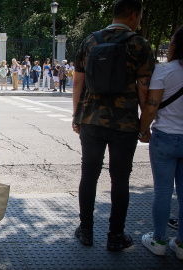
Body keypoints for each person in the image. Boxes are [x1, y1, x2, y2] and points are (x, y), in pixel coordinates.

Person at [72, 0, 155, 251]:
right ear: (133, 15)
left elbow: (77, 83)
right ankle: (115, 235)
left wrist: (77, 115)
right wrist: (144, 125)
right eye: (139, 17)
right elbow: (144, 89)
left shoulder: (90, 41)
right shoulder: (139, 44)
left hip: (91, 120)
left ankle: (86, 230)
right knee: (120, 179)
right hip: (125, 123)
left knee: (89, 174)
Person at [140, 25, 183, 260]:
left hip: (165, 136)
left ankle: (158, 240)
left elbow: (152, 106)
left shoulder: (165, 70)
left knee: (163, 191)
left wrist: (142, 130)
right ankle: (182, 244)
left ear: (174, 46)